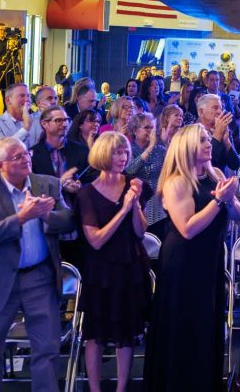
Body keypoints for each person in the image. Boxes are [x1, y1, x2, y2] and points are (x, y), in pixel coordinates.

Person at [0, 137, 74, 391]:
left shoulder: (47, 183)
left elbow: (68, 220)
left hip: (39, 277)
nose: (26, 159)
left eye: (26, 154)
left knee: (47, 348)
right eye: (17, 157)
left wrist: (47, 215)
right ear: (0, 165)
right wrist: (22, 217)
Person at [144, 124, 240, 390]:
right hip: (184, 263)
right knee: (185, 325)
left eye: (208, 139)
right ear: (186, 147)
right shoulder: (177, 181)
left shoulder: (216, 173)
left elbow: (238, 215)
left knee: (206, 325)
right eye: (202, 140)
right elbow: (187, 229)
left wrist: (229, 200)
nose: (209, 144)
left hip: (209, 260)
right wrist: (218, 201)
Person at [73, 132, 151, 392]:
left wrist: (135, 204)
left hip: (130, 265)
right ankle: (94, 388)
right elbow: (96, 240)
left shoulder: (134, 184)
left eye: (125, 152)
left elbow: (140, 232)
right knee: (95, 334)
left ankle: (121, 388)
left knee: (125, 332)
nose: (123, 157)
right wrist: (123, 209)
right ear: (104, 155)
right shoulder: (86, 194)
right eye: (117, 152)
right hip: (101, 270)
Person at [127, 104, 183, 239]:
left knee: (157, 238)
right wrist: (151, 146)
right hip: (137, 202)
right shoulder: (129, 149)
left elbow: (174, 168)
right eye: (147, 128)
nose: (151, 132)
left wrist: (166, 144)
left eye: (152, 128)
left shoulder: (160, 149)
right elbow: (130, 169)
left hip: (158, 202)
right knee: (139, 238)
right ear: (135, 130)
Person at [196, 93, 240, 175]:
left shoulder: (224, 130)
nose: (220, 112)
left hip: (222, 179)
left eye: (221, 108)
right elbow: (206, 165)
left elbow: (235, 165)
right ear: (201, 112)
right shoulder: (192, 133)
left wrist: (227, 141)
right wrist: (217, 136)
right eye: (215, 108)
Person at [0, 83, 35, 149]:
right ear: (8, 100)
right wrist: (25, 128)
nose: (27, 99)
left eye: (28, 96)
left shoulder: (36, 120)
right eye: (22, 96)